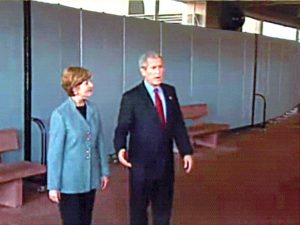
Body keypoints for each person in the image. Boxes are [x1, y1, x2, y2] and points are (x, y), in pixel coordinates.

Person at [114, 51, 193, 225]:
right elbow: (122, 127)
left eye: (161, 67)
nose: (158, 72)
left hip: (166, 163)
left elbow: (178, 124)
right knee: (139, 208)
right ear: (143, 71)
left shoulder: (170, 92)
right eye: (153, 68)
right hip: (141, 164)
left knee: (163, 208)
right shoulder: (131, 97)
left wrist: (186, 151)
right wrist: (120, 148)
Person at [47, 66, 110, 225]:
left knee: (86, 219)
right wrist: (53, 185)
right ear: (74, 88)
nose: (91, 85)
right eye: (85, 82)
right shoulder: (60, 115)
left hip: (90, 178)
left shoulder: (93, 109)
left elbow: (99, 142)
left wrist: (104, 171)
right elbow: (55, 153)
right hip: (69, 181)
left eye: (90, 81)